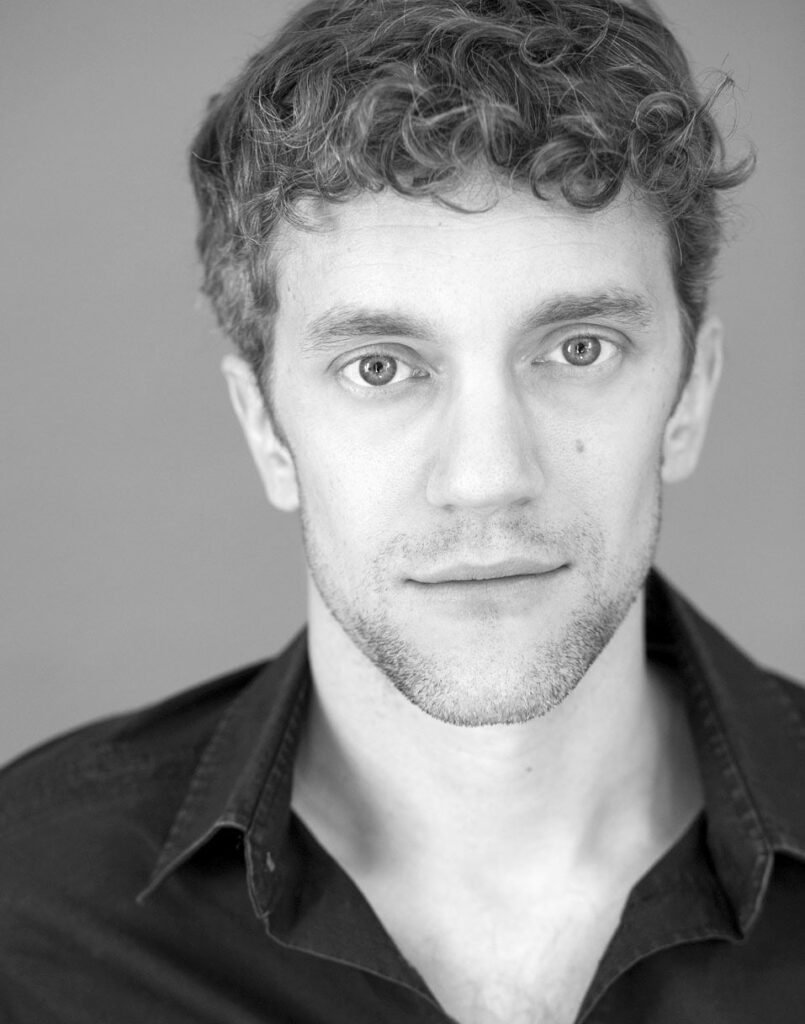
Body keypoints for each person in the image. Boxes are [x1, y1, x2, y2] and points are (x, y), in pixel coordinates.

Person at [1, 0, 804, 1021]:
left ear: (688, 397)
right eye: (379, 367)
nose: (486, 476)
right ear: (265, 428)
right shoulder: (30, 916)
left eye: (578, 350)